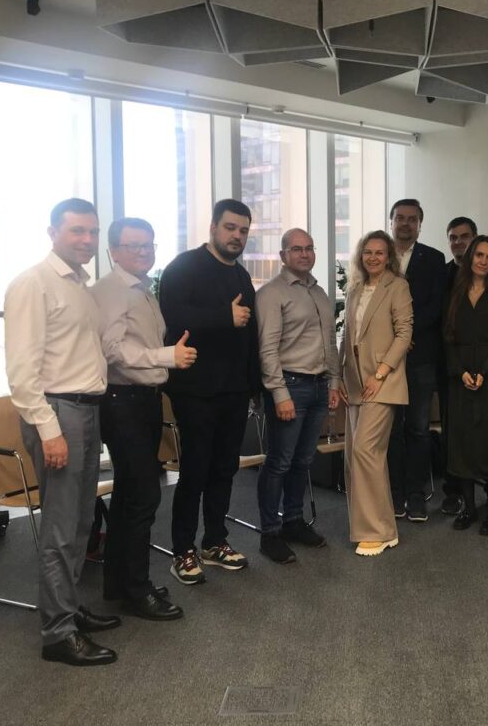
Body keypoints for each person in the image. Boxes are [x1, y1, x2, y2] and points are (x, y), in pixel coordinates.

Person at [5, 198, 117, 666]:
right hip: (57, 414)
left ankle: (67, 607)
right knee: (60, 526)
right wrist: (49, 430)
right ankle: (57, 633)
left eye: (92, 231)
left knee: (81, 522)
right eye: (77, 231)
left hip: (86, 411)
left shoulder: (80, 286)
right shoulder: (33, 283)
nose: (87, 240)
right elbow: (22, 373)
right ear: (52, 232)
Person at [91, 218, 189, 621]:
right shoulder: (112, 290)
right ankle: (136, 589)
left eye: (148, 245)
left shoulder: (142, 289)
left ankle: (120, 583)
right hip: (122, 402)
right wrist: (165, 357)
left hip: (144, 400)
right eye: (134, 246)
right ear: (113, 250)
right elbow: (112, 350)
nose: (143, 252)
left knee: (131, 495)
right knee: (144, 496)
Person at [158, 199, 259, 585]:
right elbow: (172, 317)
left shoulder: (241, 276)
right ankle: (182, 549)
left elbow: (249, 334)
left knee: (224, 468)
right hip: (195, 390)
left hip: (234, 390)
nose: (237, 236)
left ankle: (215, 541)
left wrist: (253, 386)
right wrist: (223, 317)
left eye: (243, 231)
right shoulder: (183, 267)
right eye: (230, 228)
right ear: (214, 227)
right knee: (195, 470)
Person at [255, 228, 340, 565]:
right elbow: (267, 349)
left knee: (303, 461)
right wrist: (279, 393)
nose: (304, 254)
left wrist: (334, 381)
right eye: (296, 249)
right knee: (279, 462)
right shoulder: (271, 294)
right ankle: (269, 533)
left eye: (309, 248)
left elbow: (330, 342)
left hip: (319, 386)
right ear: (283, 256)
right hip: (290, 386)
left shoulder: (319, 292)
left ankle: (293, 521)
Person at [339, 230, 413, 556]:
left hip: (383, 383)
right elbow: (347, 337)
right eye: (367, 252)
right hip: (355, 382)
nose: (372, 257)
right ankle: (383, 527)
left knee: (366, 452)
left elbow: (404, 334)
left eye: (379, 252)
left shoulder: (397, 286)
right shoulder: (355, 290)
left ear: (389, 257)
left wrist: (381, 373)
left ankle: (376, 531)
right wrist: (340, 375)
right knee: (357, 457)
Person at [444, 236, 488, 535]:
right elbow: (447, 336)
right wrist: (460, 372)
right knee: (463, 443)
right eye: (479, 255)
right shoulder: (457, 290)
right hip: (461, 378)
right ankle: (469, 508)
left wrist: (485, 371)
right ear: (470, 257)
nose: (483, 261)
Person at [386, 199, 446, 522]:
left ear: (420, 225)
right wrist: (394, 339)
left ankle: (416, 495)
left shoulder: (434, 259)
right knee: (391, 429)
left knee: (419, 429)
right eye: (400, 218)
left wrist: (406, 334)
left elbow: (436, 307)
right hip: (386, 359)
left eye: (412, 219)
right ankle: (394, 494)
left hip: (420, 356)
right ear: (391, 221)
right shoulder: (379, 256)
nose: (405, 224)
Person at [438, 216, 477, 516]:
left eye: (464, 237)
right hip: (450, 366)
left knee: (480, 428)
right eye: (453, 237)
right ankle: (453, 490)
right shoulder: (443, 274)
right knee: (452, 429)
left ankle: (485, 487)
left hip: (484, 367)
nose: (458, 242)